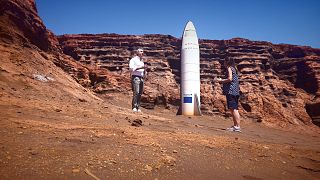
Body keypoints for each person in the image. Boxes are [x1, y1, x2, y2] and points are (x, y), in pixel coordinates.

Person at [216, 57, 241, 132]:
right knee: (234, 109)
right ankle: (235, 126)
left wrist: (221, 80)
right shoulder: (235, 68)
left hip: (231, 91)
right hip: (235, 91)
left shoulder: (229, 68)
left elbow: (230, 79)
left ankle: (237, 127)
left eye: (224, 61)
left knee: (233, 109)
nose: (223, 63)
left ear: (227, 62)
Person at [129, 48, 145, 112]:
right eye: (141, 51)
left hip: (141, 78)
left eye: (143, 51)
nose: (142, 52)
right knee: (136, 92)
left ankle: (138, 107)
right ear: (137, 52)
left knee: (140, 93)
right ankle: (134, 107)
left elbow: (143, 70)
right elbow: (131, 69)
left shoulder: (142, 61)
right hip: (135, 77)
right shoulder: (133, 60)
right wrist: (140, 68)